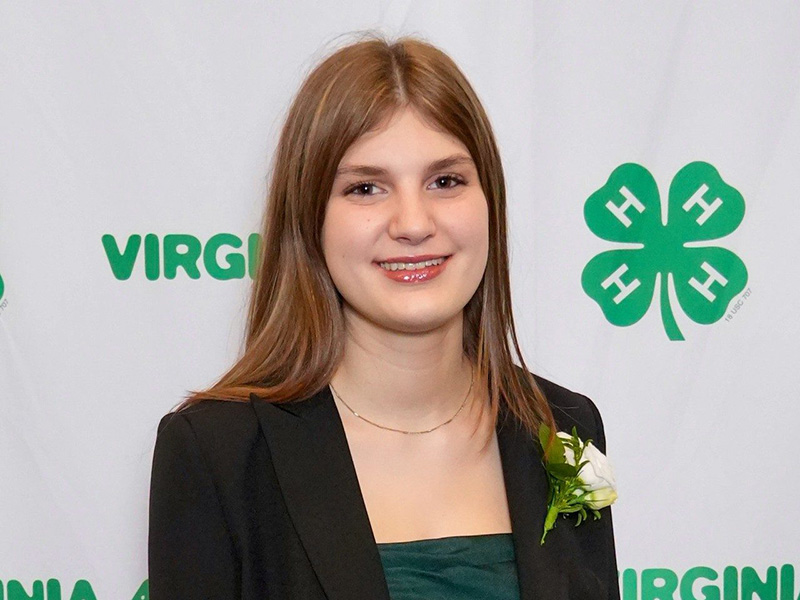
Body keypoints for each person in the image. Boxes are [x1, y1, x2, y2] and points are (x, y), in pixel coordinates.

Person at [148, 32, 620, 600]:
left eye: (445, 181)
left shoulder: (563, 428)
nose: (413, 222)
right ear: (308, 220)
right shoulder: (217, 453)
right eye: (366, 188)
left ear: (489, 201)